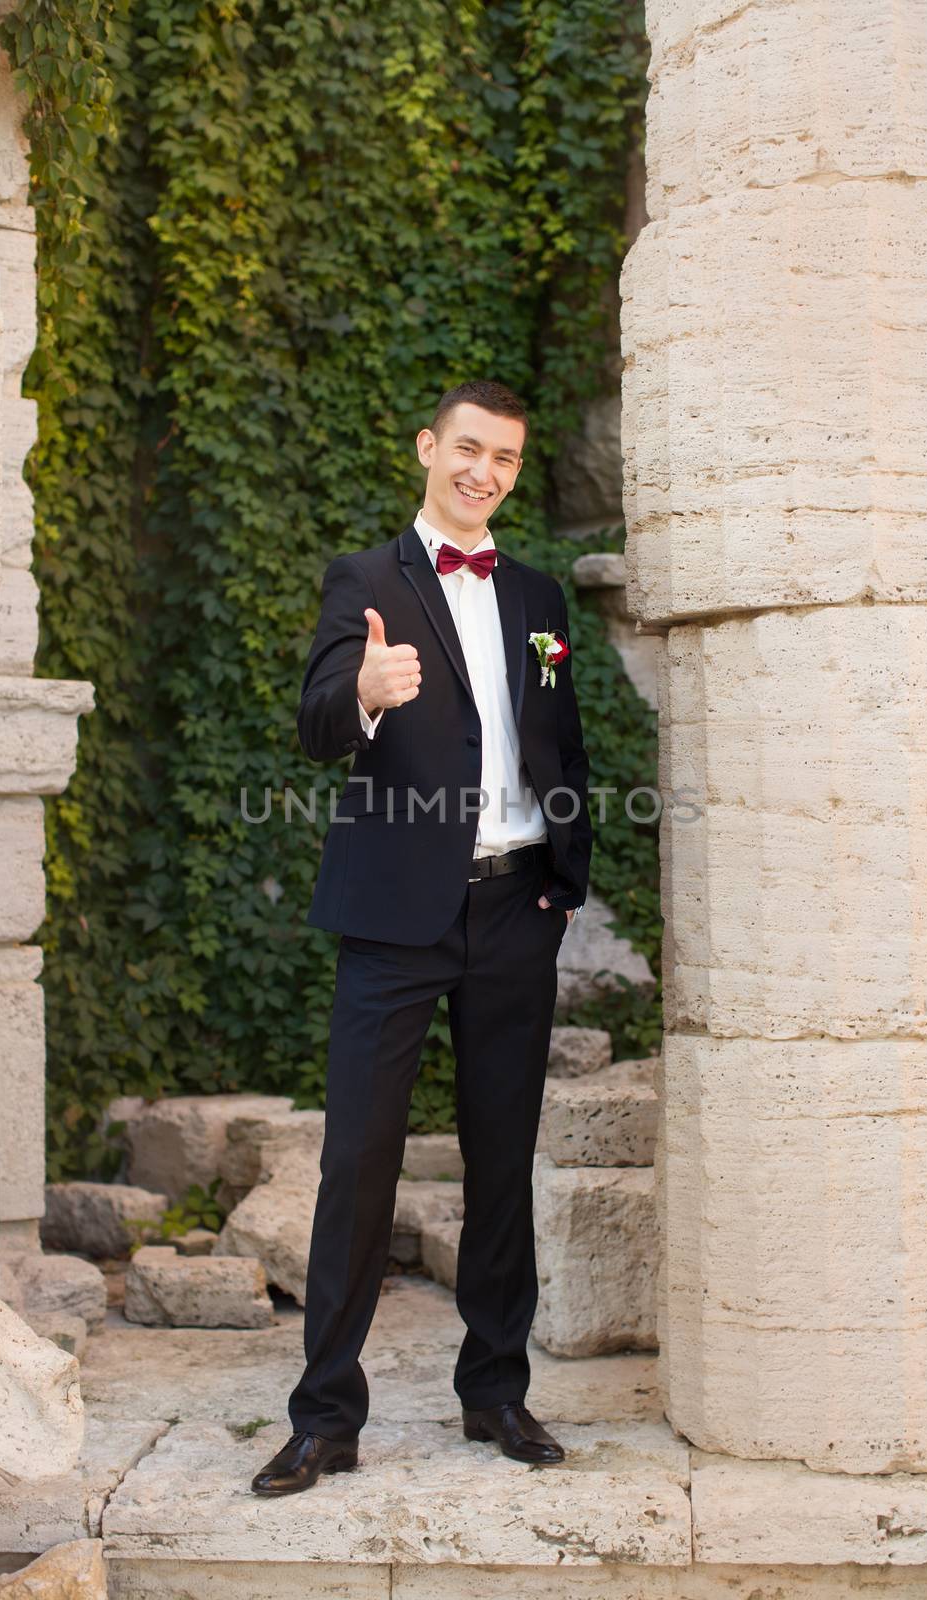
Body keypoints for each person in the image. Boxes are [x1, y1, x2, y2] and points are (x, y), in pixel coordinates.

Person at [251, 379, 592, 1496]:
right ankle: (324, 1415)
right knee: (358, 1161)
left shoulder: (537, 594)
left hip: (513, 910)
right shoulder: (365, 579)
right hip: (394, 918)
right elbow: (311, 726)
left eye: (502, 458)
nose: (482, 471)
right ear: (425, 447)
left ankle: (493, 1389)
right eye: (466, 449)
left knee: (502, 1158)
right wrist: (362, 686)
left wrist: (561, 880)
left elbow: (562, 742)